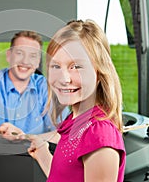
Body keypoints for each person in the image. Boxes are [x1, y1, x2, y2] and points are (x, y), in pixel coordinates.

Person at [22, 20, 126, 182]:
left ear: (99, 71)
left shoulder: (98, 134)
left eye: (76, 66)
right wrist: (43, 154)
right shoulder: (76, 122)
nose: (64, 79)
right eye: (56, 66)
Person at [0, 30, 65, 140]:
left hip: (38, 154)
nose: (25, 61)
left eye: (33, 55)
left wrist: (23, 137)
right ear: (9, 56)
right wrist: (4, 134)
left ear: (38, 61)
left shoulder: (45, 86)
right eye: (19, 53)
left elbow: (62, 132)